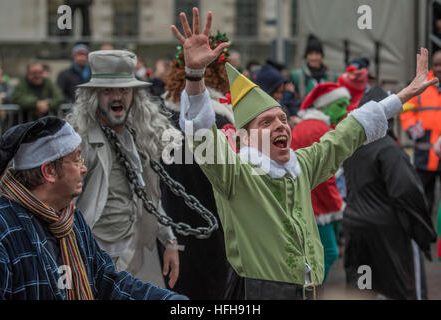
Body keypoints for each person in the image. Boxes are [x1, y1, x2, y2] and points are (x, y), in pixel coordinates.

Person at [171, 7, 437, 300]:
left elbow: (345, 134)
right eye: (267, 122)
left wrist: (401, 97)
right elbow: (201, 135)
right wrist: (195, 75)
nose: (280, 125)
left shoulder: (302, 165)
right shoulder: (236, 174)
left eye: (282, 118)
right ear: (246, 138)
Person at [0, 116, 187, 300]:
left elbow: (106, 282)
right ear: (49, 171)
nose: (83, 168)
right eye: (76, 159)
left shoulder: (70, 217)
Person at [67, 50, 181, 289]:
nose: (117, 97)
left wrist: (169, 241)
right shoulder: (79, 141)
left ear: (134, 96)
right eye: (108, 91)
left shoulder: (137, 136)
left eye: (124, 90)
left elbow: (147, 195)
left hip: (129, 251)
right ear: (94, 97)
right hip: (90, 254)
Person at [160, 33, 242, 300]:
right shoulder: (222, 120)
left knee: (176, 294)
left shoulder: (159, 118)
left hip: (171, 225)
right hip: (213, 226)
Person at [342, 87, 436, 300]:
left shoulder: (352, 147)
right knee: (402, 289)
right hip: (387, 232)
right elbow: (407, 190)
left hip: (356, 227)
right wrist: (422, 229)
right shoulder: (388, 149)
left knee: (362, 287)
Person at [290, 83, 351, 282]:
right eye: (340, 105)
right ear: (325, 106)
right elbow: (324, 177)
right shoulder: (318, 129)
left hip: (309, 199)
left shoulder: (312, 126)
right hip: (314, 204)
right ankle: (309, 292)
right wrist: (336, 205)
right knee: (328, 252)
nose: (345, 110)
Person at [400, 50, 441, 215]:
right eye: (437, 64)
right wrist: (415, 129)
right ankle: (424, 236)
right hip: (424, 155)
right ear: (432, 66)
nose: (440, 68)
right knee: (424, 199)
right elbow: (406, 109)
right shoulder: (423, 83)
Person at [290, 34, 338, 102]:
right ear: (306, 56)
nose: (314, 58)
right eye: (310, 54)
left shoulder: (332, 77)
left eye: (317, 53)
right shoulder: (297, 76)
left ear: (322, 56)